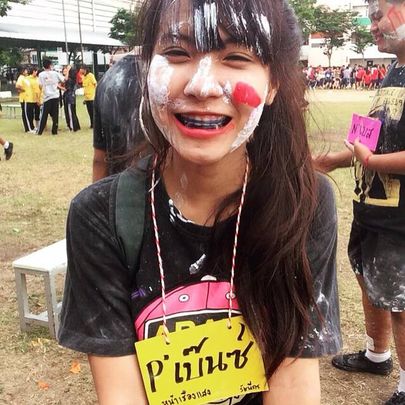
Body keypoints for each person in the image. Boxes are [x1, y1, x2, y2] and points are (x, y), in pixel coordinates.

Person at [58, 0, 341, 404]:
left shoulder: (304, 204)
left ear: (273, 83)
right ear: (146, 68)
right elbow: (121, 394)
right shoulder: (99, 217)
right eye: (177, 53)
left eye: (236, 57)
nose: (202, 86)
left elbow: (294, 382)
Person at [315, 1, 405, 403]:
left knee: (401, 301)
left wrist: (371, 162)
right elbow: (373, 135)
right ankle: (376, 354)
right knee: (370, 280)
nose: (373, 26)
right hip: (372, 207)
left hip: (400, 219)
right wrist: (332, 160)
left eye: (378, 15)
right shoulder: (395, 69)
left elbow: (375, 154)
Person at [92, 53, 143, 181]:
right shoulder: (157, 77)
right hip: (151, 185)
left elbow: (99, 159)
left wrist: (96, 190)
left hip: (114, 185)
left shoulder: (106, 80)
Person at [37, 59, 65, 135]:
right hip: (55, 96)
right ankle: (54, 131)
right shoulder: (55, 73)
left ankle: (40, 131)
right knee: (55, 115)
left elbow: (40, 85)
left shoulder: (41, 74)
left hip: (47, 97)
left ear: (43, 66)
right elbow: (63, 80)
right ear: (50, 65)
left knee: (44, 115)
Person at [62, 65, 81, 132]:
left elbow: (66, 84)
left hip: (69, 97)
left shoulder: (69, 80)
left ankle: (72, 127)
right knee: (73, 112)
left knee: (70, 113)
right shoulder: (73, 79)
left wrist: (59, 87)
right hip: (72, 97)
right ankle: (76, 126)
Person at [15, 66, 32, 132]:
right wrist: (23, 90)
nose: (27, 71)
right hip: (24, 98)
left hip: (28, 98)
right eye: (25, 70)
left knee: (29, 113)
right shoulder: (21, 77)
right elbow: (17, 85)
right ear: (22, 71)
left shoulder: (26, 77)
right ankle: (27, 128)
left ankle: (30, 127)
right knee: (25, 114)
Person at [26, 66, 41, 132]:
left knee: (37, 113)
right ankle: (31, 127)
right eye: (36, 71)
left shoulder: (38, 79)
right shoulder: (27, 79)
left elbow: (39, 88)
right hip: (30, 99)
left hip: (37, 99)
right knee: (30, 114)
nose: (37, 72)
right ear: (33, 71)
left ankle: (37, 126)